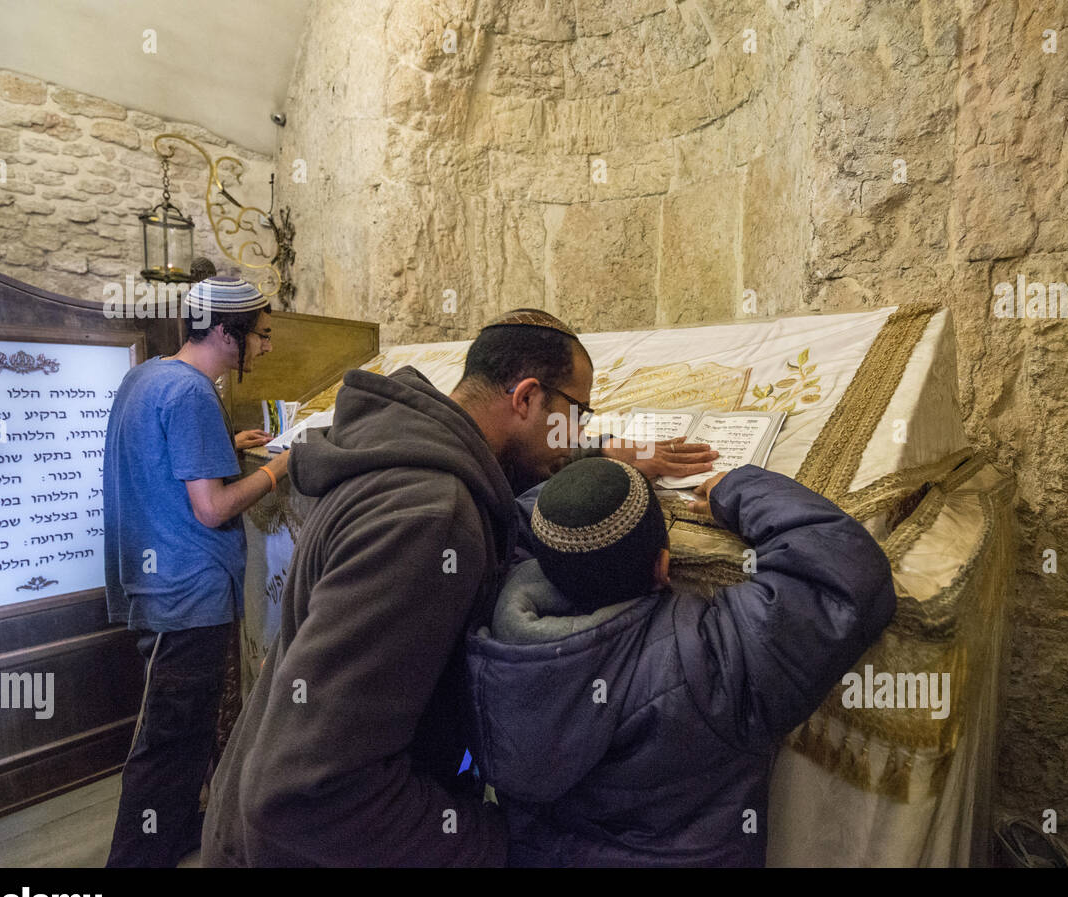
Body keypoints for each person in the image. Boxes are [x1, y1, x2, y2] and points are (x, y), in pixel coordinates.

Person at [202, 308, 718, 866]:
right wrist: (497, 840)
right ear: (525, 398)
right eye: (577, 415)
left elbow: (504, 470)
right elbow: (308, 793)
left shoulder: (405, 444)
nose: (578, 436)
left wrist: (600, 455)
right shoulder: (431, 519)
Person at [465, 456, 897, 866]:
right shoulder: (706, 664)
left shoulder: (484, 621)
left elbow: (518, 517)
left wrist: (607, 470)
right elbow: (844, 570)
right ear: (663, 568)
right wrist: (738, 488)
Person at [104, 276, 289, 867]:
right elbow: (210, 510)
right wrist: (281, 467)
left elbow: (163, 458)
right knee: (168, 741)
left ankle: (176, 831)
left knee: (182, 735)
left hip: (155, 581)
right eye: (259, 335)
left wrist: (226, 447)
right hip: (187, 592)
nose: (265, 347)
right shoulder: (191, 393)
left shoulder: (150, 375)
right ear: (224, 332)